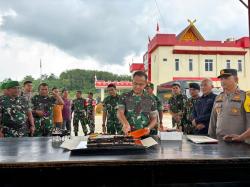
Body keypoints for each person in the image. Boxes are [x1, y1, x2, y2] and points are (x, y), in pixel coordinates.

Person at [209, 69, 250, 139]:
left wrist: (242, 138)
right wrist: (211, 138)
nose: (223, 81)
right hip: (220, 142)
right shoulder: (218, 98)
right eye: (221, 79)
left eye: (226, 78)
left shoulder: (246, 97)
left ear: (236, 79)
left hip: (240, 143)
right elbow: (213, 121)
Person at [117, 71, 158, 135]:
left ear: (145, 83)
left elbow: (154, 118)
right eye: (135, 83)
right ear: (132, 82)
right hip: (127, 134)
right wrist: (125, 124)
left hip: (144, 134)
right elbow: (120, 113)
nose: (137, 86)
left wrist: (149, 128)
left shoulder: (151, 99)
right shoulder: (124, 96)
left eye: (141, 84)